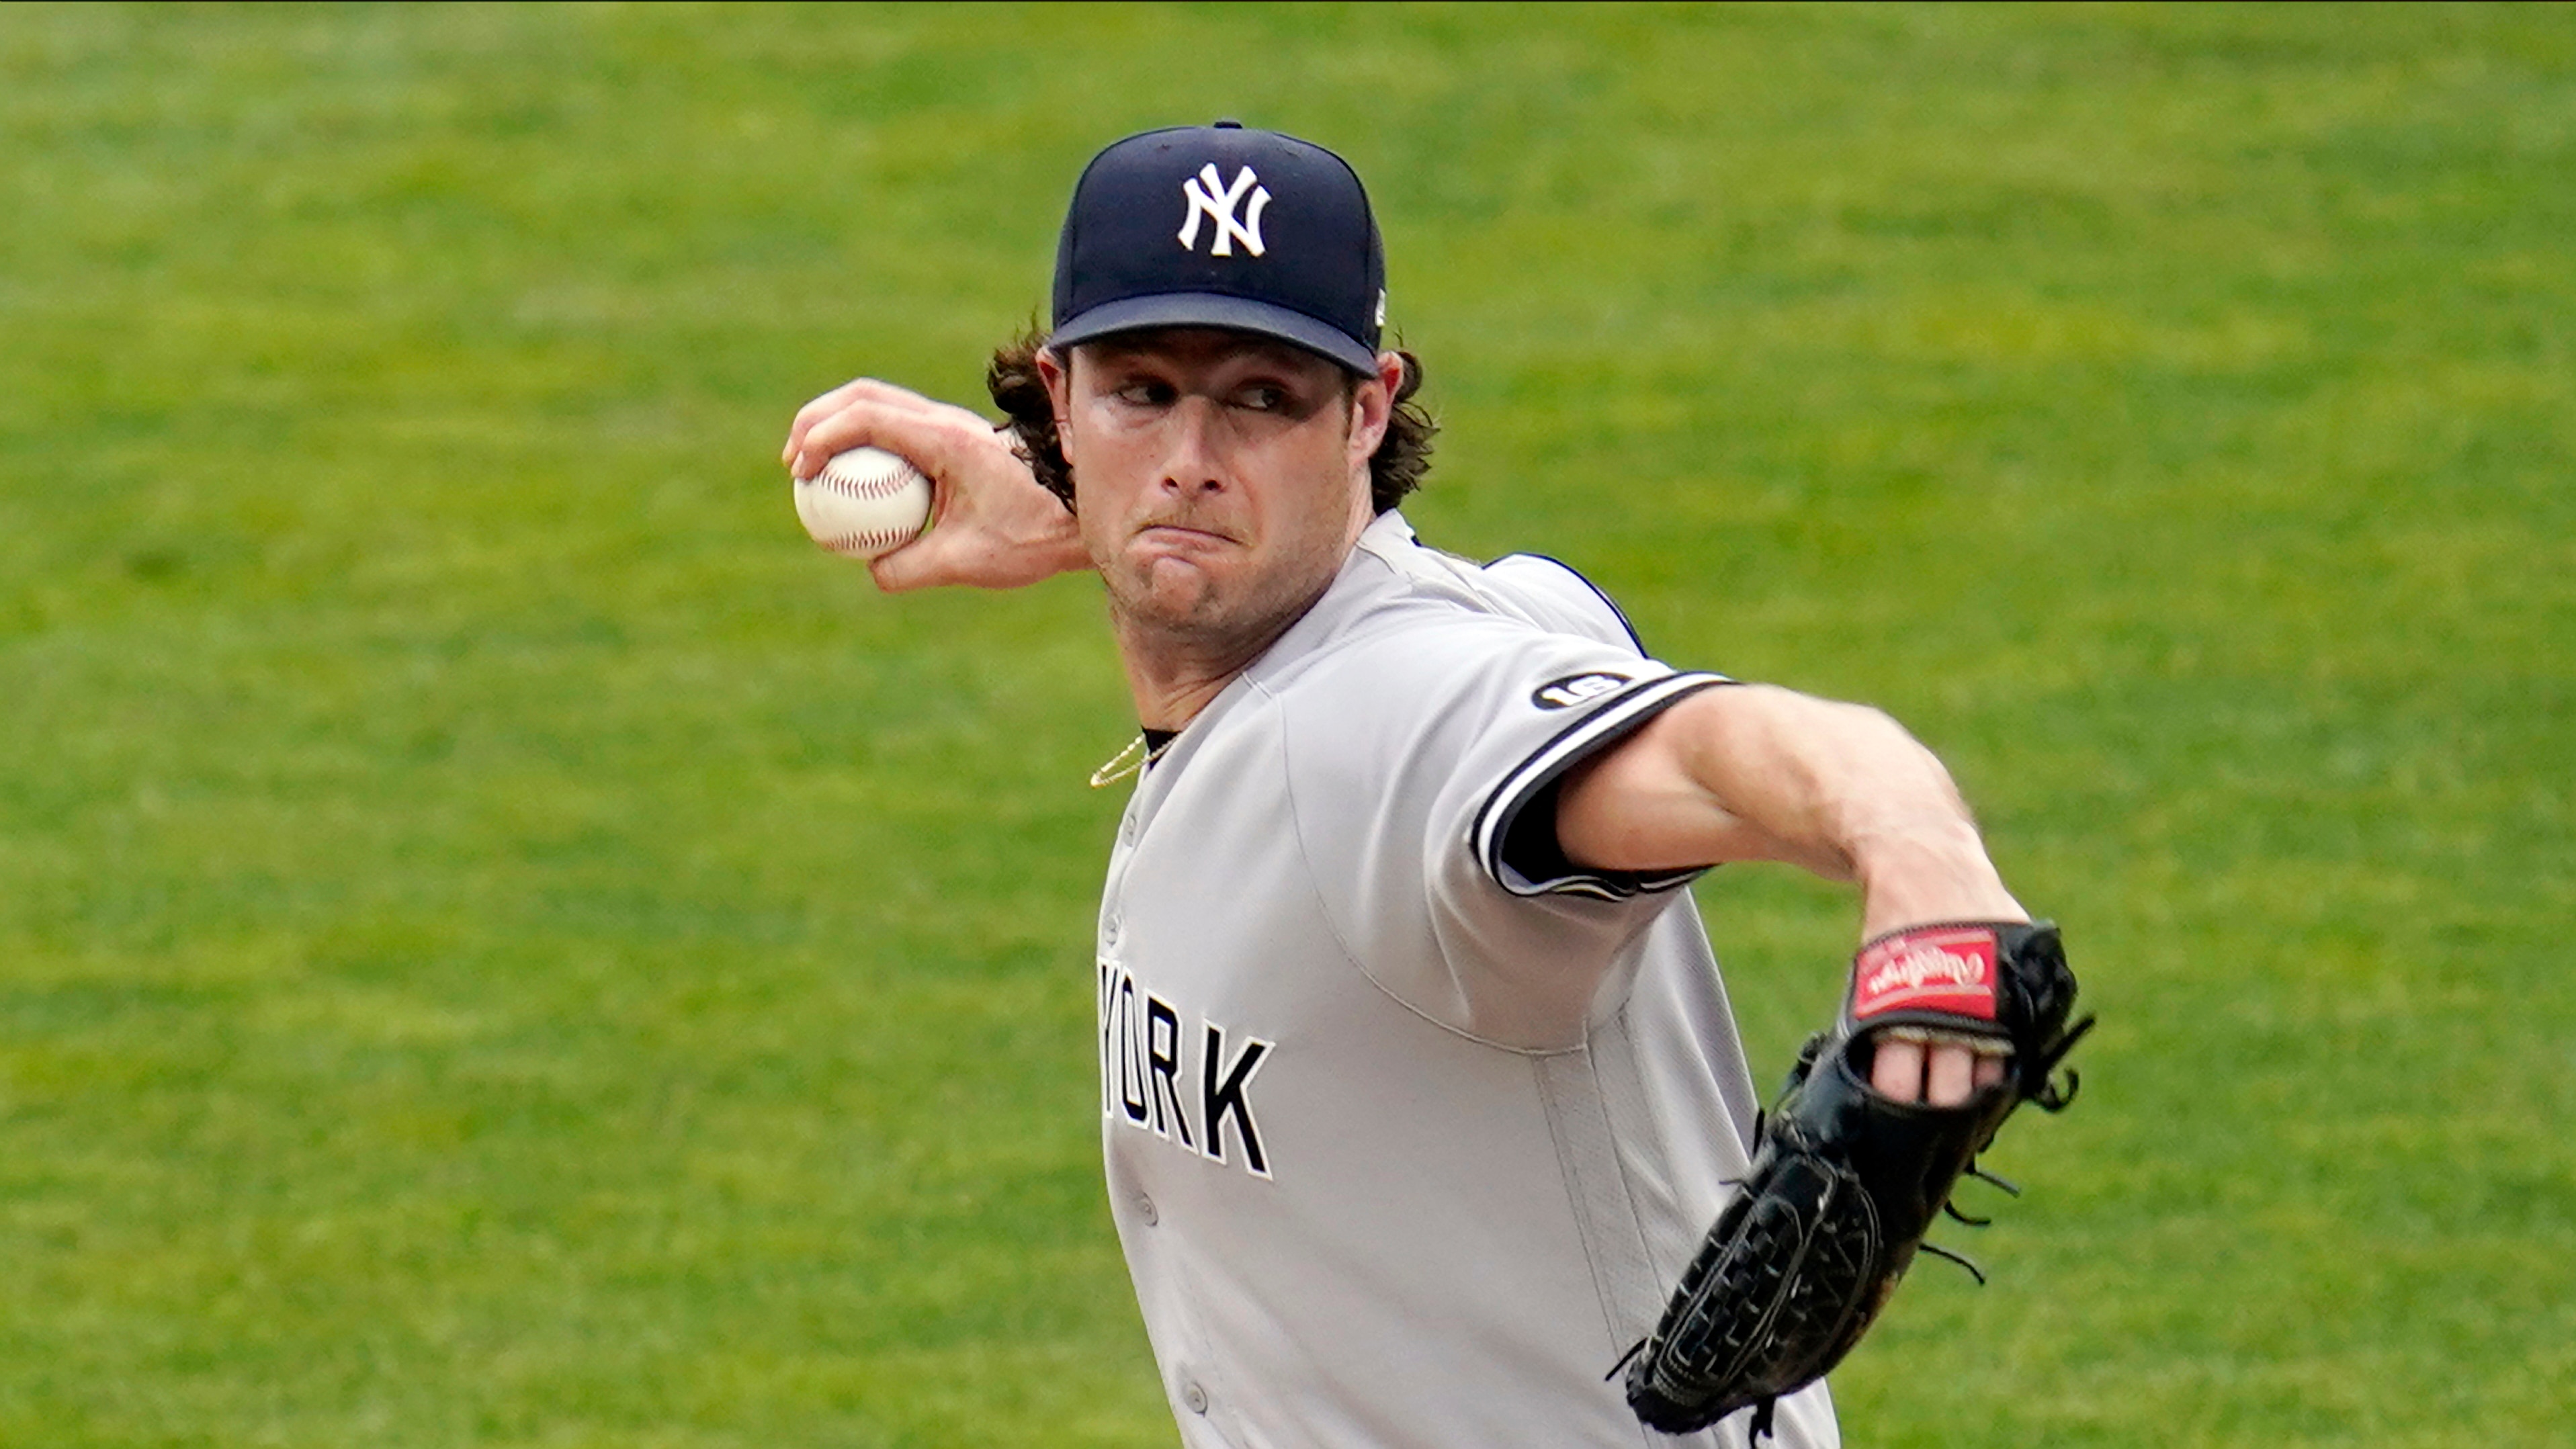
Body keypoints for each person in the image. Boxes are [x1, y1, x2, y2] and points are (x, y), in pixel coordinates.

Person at [783, 122, 2032, 1448]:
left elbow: (1715, 749)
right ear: (1058, 393)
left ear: (1369, 409)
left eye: (1264, 399)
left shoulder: (1401, 727)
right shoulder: (1405, 626)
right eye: (1140, 390)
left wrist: (1920, 856)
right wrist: (1109, 523)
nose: (1191, 455)